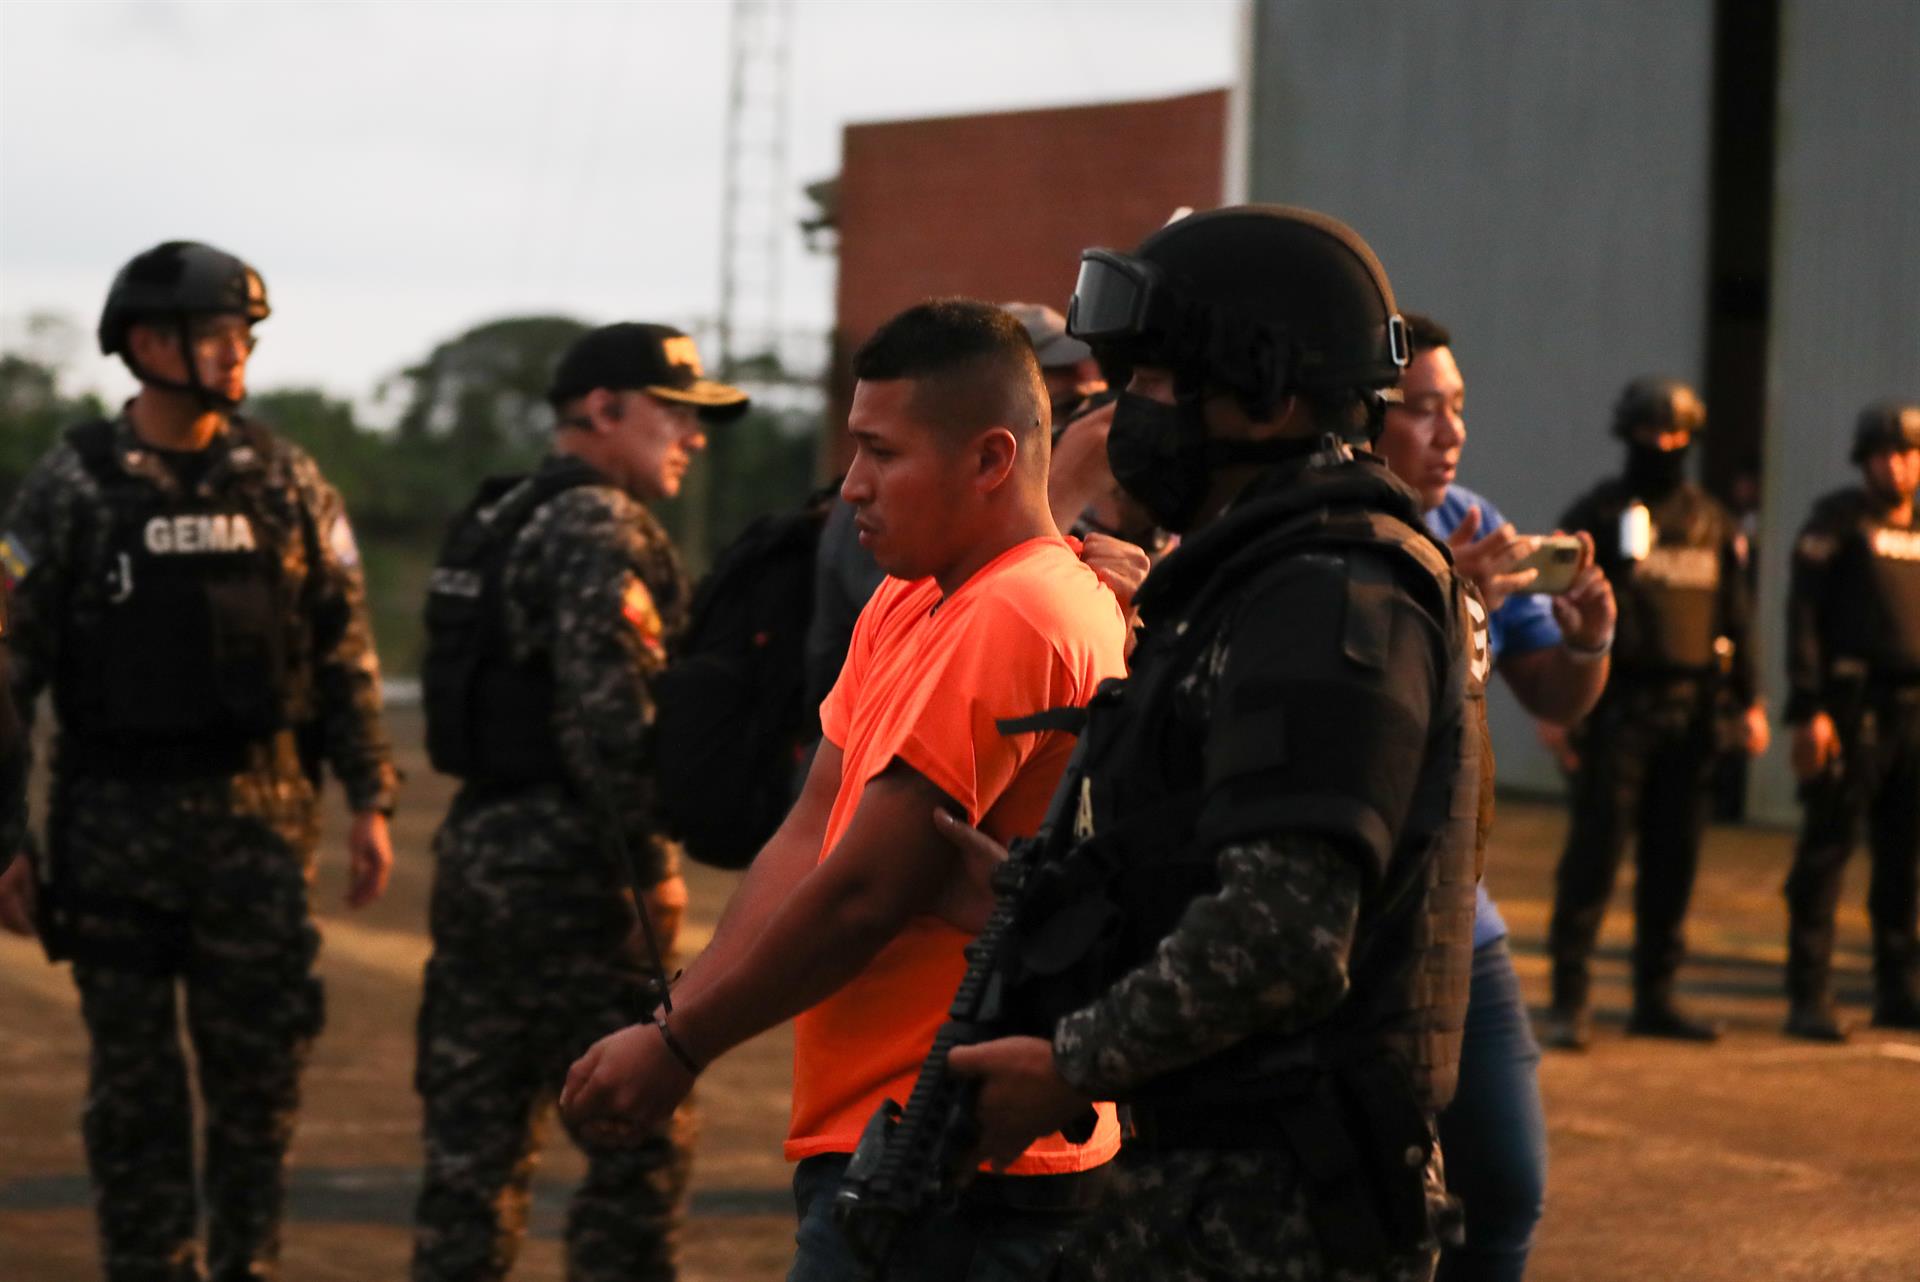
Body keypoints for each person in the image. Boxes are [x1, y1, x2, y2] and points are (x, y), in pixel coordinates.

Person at [939, 206, 1487, 1282]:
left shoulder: (1329, 596)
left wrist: (1066, 1065)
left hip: (1284, 1198)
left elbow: (1283, 932)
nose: (1124, 409)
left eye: (1152, 381)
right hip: (1202, 1177)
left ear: (1268, 396)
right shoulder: (1246, 580)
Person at [560, 299, 1131, 1281]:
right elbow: (811, 829)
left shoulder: (1022, 610)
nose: (854, 485)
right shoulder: (914, 594)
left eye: (883, 453)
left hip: (962, 1161)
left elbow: (869, 891)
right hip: (883, 1135)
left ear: (992, 460)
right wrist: (674, 1018)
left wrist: (681, 1045)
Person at [0, 240, 397, 1282]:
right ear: (146, 343)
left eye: (245, 334)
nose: (239, 353)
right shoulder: (72, 485)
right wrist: (9, 838)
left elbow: (342, 645)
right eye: (219, 332)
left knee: (259, 1083)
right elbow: (10, 672)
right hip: (112, 842)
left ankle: (246, 1264)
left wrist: (371, 795)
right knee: (133, 1099)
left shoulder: (283, 478)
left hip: (257, 843)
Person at [409, 323, 742, 1281]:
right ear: (603, 410)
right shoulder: (599, 525)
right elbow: (611, 727)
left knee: (469, 1163)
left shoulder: (499, 511)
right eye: (676, 412)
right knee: (635, 1149)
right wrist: (651, 874)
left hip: (479, 860)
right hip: (578, 884)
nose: (694, 435)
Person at [1373, 313, 1616, 1282]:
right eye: (1422, 409)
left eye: (1458, 408)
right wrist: (1451, 602)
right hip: (1347, 926)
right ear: (1365, 416)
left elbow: (1551, 690)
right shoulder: (1326, 529)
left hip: (1460, 920)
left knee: (1506, 1186)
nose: (1449, 432)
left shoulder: (1470, 523)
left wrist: (1589, 636)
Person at [1544, 377, 1770, 1049]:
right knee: (1594, 855)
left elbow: (1739, 615)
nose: (1664, 446)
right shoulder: (1596, 512)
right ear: (1629, 436)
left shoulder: (1713, 522)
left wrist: (1751, 699)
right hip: (1617, 710)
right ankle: (1570, 999)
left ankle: (1655, 997)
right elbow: (1546, 605)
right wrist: (1554, 705)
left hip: (1693, 712)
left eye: (1675, 436)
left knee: (1676, 861)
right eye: (1651, 434)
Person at [1780, 400, 1920, 1040]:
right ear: (1864, 460)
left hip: (1913, 713)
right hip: (1852, 709)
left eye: (1908, 452)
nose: (1897, 464)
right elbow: (1802, 617)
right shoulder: (1837, 523)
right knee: (1827, 851)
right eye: (1885, 452)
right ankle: (1809, 995)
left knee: (1906, 859)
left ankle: (1899, 990)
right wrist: (1808, 708)